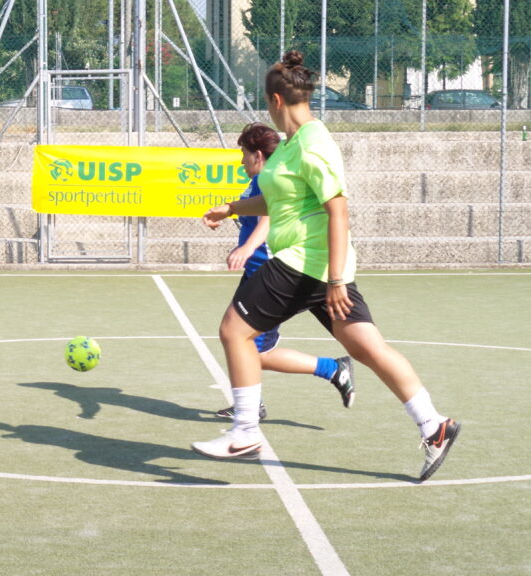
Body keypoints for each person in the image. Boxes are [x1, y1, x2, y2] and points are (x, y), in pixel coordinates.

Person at [192, 51, 459, 482]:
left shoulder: (315, 145)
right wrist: (231, 207)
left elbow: (339, 212)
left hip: (306, 263)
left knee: (234, 331)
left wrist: (336, 280)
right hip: (316, 267)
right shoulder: (292, 145)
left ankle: (244, 430)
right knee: (368, 349)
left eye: (265, 102)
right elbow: (277, 199)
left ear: (277, 100)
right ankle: (435, 427)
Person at [207, 122, 354, 421]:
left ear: (258, 156)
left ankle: (332, 369)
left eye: (244, 154)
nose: (241, 161)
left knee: (247, 347)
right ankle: (252, 404)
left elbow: (268, 218)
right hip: (258, 271)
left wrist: (247, 248)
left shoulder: (268, 179)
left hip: (272, 271)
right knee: (241, 343)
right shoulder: (264, 178)